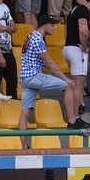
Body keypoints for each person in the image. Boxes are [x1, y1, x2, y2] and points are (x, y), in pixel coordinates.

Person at [18, 13, 75, 145]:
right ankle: (73, 121)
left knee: (25, 111)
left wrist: (53, 67)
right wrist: (66, 78)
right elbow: (48, 62)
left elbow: (39, 61)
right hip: (33, 76)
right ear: (45, 25)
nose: (54, 28)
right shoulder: (38, 39)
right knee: (68, 87)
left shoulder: (30, 36)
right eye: (52, 25)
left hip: (25, 77)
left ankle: (23, 145)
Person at [64, 0, 90, 128]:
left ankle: (75, 118)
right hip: (76, 50)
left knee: (77, 85)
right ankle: (74, 119)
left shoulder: (73, 10)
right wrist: (84, 47)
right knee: (78, 86)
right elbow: (83, 30)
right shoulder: (83, 11)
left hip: (68, 48)